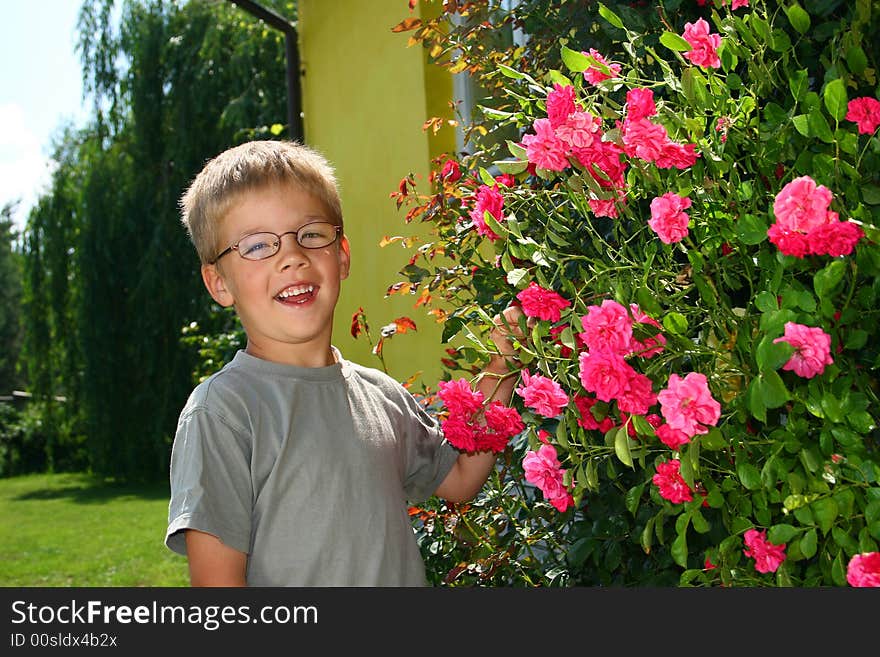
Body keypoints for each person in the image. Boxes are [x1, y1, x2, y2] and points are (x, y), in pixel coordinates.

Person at [165, 139, 525, 586]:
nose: (292, 256)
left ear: (342, 255)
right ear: (219, 283)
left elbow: (460, 476)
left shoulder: (383, 397)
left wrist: (503, 362)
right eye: (257, 246)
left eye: (312, 235)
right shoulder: (224, 413)